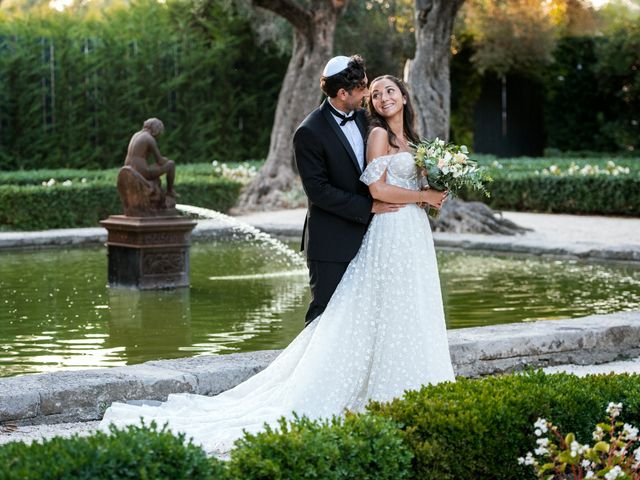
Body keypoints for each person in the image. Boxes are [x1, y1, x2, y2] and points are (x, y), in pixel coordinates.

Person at [99, 67, 454, 456]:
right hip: (353, 234)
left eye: (386, 90)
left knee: (403, 310)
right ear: (343, 94)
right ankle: (320, 390)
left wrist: (437, 184)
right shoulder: (340, 131)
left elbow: (402, 181)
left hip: (406, 235)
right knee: (333, 321)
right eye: (370, 92)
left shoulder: (403, 135)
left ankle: (404, 387)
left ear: (404, 96)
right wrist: (418, 199)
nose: (377, 96)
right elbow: (339, 189)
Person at [293, 55, 403, 327]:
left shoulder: (368, 118)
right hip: (331, 241)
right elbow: (318, 191)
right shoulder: (308, 132)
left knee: (365, 318)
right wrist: (368, 207)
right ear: (342, 93)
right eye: (362, 87)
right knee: (325, 315)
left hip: (373, 237)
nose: (368, 92)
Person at [124, 118, 178, 198]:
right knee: (171, 164)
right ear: (156, 129)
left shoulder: (136, 134)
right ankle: (170, 191)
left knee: (156, 166)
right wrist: (166, 160)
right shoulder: (149, 138)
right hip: (141, 172)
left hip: (129, 170)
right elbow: (160, 161)